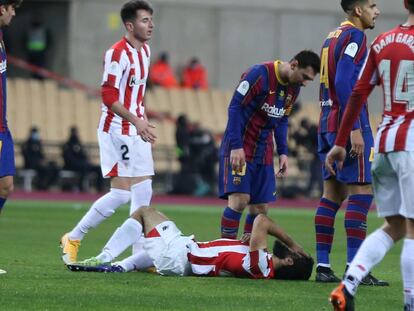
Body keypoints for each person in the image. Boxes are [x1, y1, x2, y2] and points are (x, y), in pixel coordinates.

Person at [327, 1, 414, 310]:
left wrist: (340, 141)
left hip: (386, 142)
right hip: (411, 143)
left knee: (395, 225)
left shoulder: (382, 41)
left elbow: (358, 93)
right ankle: (410, 303)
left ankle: (347, 286)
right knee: (413, 228)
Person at [60, 0, 157, 265]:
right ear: (129, 25)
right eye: (145, 20)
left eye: (151, 20)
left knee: (144, 192)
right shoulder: (117, 54)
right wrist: (136, 121)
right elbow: (108, 95)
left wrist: (143, 121)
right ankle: (74, 236)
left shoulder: (145, 51)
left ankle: (138, 256)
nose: (151, 25)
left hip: (136, 129)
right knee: (122, 194)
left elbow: (137, 93)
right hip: (116, 129)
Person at [314, 0, 386, 285]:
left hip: (325, 121)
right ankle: (355, 270)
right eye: (372, 5)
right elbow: (345, 81)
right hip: (347, 124)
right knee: (362, 191)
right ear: (358, 10)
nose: (376, 11)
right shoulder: (356, 36)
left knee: (332, 194)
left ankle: (322, 267)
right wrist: (354, 128)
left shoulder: (332, 36)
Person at [218, 50, 320, 240]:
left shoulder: (294, 88)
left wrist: (283, 152)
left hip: (263, 151)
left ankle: (246, 252)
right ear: (294, 64)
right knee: (240, 200)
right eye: (304, 77)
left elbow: (282, 119)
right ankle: (226, 250)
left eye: (309, 80)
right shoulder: (258, 74)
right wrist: (236, 145)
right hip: (241, 146)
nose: (305, 83)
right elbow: (235, 107)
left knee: (261, 208)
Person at [67, 204, 313, 281]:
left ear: (290, 259)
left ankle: (105, 256)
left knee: (144, 212)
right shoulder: (262, 262)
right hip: (182, 256)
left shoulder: (262, 267)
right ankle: (121, 266)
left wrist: (291, 241)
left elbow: (261, 220)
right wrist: (241, 243)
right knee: (154, 237)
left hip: (181, 256)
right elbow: (231, 259)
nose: (295, 248)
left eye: (297, 252)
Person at [0, 0, 22, 275]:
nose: (14, 13)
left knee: (5, 186)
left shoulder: (2, 38)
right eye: (12, 8)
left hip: (2, 126)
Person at [61, 126, 103, 192]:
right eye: (74, 132)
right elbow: (68, 159)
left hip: (83, 164)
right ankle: (82, 188)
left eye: (76, 132)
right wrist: (80, 163)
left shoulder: (79, 144)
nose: (75, 134)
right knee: (84, 168)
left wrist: (85, 162)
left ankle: (99, 189)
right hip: (72, 166)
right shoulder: (67, 145)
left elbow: (84, 156)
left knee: (98, 169)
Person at [23, 13, 52, 79]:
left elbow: (49, 41)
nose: (36, 20)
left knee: (41, 71)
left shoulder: (44, 29)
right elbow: (24, 41)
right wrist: (27, 50)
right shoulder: (29, 30)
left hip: (41, 54)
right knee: (33, 71)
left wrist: (45, 49)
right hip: (31, 54)